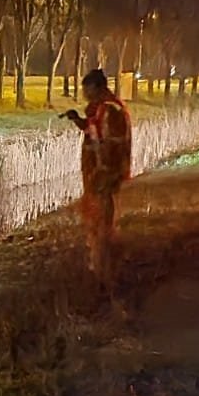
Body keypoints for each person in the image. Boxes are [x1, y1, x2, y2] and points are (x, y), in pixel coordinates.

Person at [60, 69, 132, 288]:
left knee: (103, 205)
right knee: (98, 207)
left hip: (105, 168)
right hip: (97, 167)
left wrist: (104, 167)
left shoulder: (110, 109)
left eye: (87, 88)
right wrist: (78, 120)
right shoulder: (100, 108)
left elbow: (112, 141)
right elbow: (94, 131)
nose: (84, 93)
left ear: (98, 87)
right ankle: (101, 252)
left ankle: (106, 259)